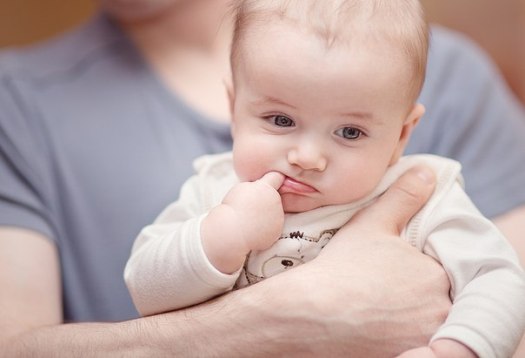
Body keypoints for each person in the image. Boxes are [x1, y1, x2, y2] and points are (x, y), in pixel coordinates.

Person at [0, 0, 524, 356]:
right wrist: (221, 237)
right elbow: (146, 287)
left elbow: (499, 279)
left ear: (405, 133)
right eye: (279, 121)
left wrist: (459, 347)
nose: (307, 155)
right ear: (235, 109)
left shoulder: (423, 189)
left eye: (349, 133)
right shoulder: (214, 187)